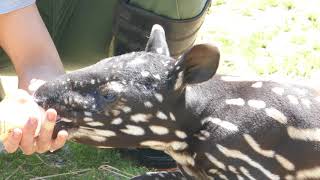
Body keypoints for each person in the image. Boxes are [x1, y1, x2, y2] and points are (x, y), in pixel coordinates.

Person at [0, 0, 211, 168]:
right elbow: (29, 47)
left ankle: (149, 111)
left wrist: (45, 95)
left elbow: (36, 57)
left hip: (96, 22)